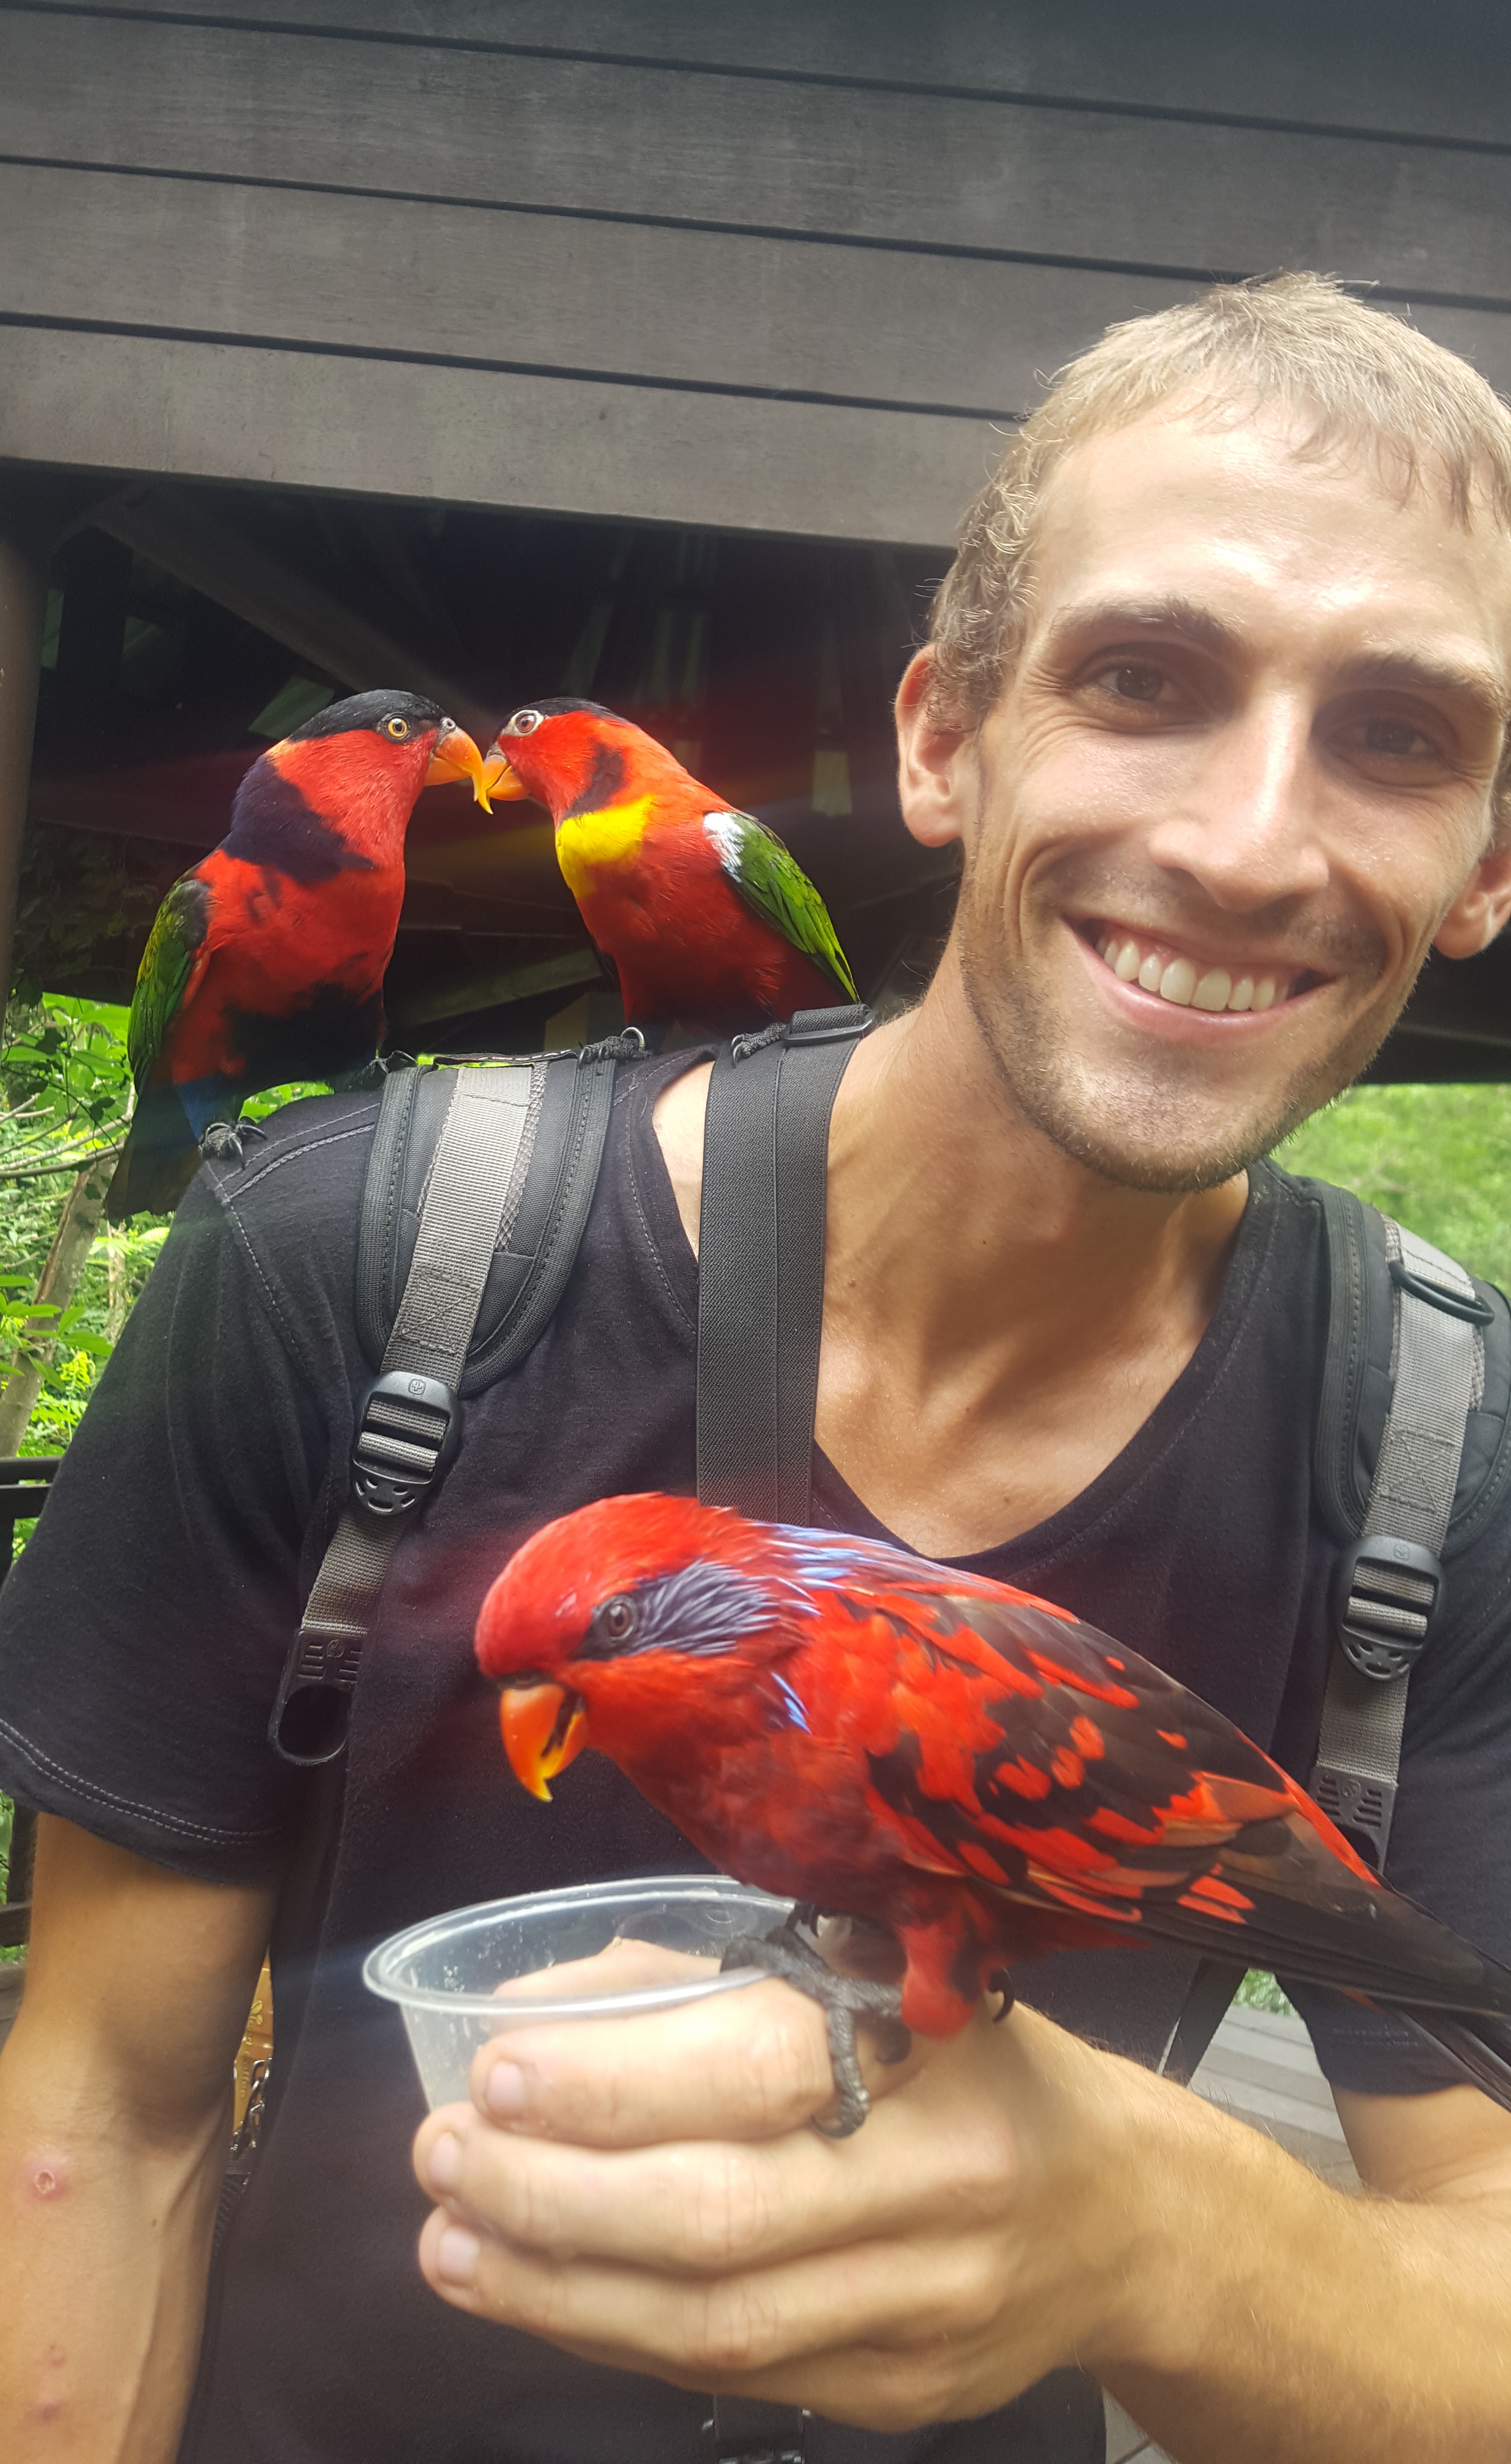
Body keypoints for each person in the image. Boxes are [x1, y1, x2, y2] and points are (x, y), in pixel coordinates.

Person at [3, 273, 1511, 2464]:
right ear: (939, 738)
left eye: (1399, 733)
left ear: (1486, 863)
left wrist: (1155, 2234)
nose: (1244, 839)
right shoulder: (342, 1264)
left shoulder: (1441, 1453)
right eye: (1139, 679)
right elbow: (96, 2119)